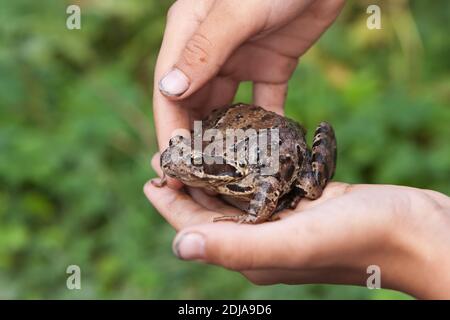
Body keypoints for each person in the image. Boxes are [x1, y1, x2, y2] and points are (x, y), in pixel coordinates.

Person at [145, 0, 450, 299]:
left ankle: (298, 185)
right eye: (179, 148)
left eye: (194, 160)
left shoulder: (243, 174)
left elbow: (268, 179)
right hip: (243, 130)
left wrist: (253, 216)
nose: (176, 160)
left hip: (283, 146)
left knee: (310, 186)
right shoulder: (204, 156)